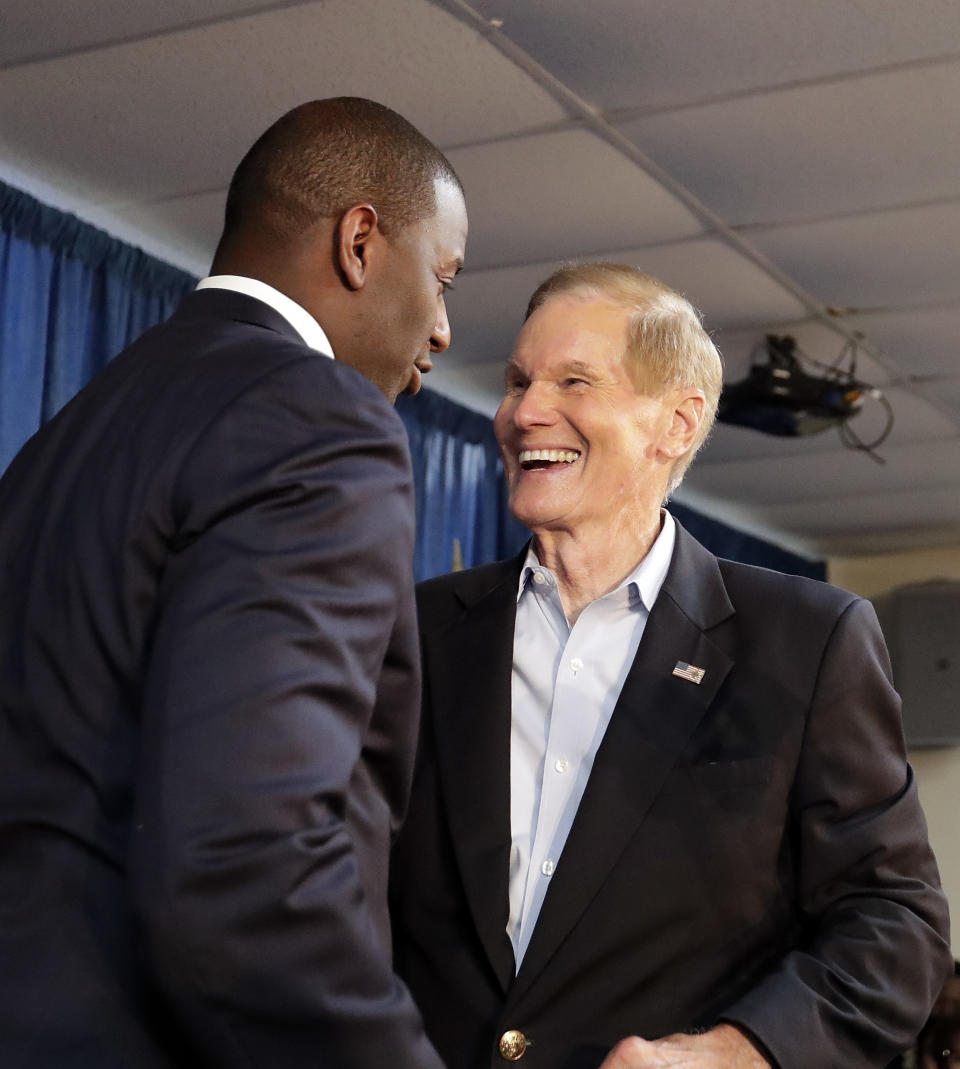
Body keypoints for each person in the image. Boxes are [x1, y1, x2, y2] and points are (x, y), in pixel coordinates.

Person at [389, 262, 951, 1069]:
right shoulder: (417, 628)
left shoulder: (808, 638)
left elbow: (898, 925)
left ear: (677, 423)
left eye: (573, 380)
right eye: (518, 381)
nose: (524, 412)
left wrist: (733, 1054)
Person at [0, 97, 466, 1067]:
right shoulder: (318, 418)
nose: (446, 328)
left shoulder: (69, 435)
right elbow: (246, 866)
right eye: (443, 275)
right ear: (361, 242)